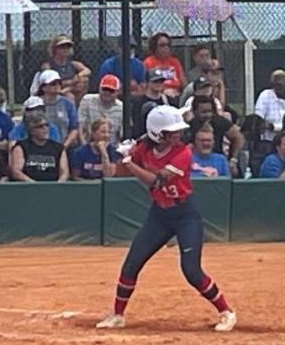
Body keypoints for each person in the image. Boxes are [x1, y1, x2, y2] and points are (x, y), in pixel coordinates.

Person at [95, 105, 235, 332]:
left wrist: (131, 162)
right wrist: (124, 155)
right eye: (172, 132)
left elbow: (156, 181)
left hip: (185, 214)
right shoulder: (144, 149)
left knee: (191, 270)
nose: (178, 135)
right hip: (159, 214)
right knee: (132, 263)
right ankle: (118, 315)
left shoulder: (183, 153)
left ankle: (226, 312)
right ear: (158, 134)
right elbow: (116, 174)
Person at [184, 96, 243, 176]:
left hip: (218, 162)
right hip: (195, 162)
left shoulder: (219, 121)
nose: (207, 115)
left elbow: (238, 138)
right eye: (203, 112)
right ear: (194, 111)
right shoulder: (188, 126)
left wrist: (233, 160)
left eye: (210, 111)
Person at [11, 114, 69, 182]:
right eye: (40, 126)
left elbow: (64, 172)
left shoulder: (58, 148)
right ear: (31, 131)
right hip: (28, 187)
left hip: (53, 187)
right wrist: (33, 184)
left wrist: (58, 184)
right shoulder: (21, 147)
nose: (45, 128)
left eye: (47, 125)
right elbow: (16, 172)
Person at [254, 69, 285, 142]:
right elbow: (258, 120)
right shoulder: (265, 95)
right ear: (272, 85)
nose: (278, 87)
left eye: (281, 84)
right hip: (268, 141)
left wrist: (273, 127)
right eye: (276, 84)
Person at [38, 69, 80, 148]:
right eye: (53, 83)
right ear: (43, 87)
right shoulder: (36, 103)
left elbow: (74, 128)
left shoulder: (67, 103)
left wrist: (64, 146)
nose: (57, 85)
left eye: (59, 83)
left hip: (64, 146)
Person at [45, 34, 92, 105]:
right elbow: (51, 83)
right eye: (62, 47)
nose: (66, 49)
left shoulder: (73, 63)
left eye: (68, 47)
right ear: (55, 49)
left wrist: (79, 75)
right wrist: (72, 81)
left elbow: (87, 71)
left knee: (84, 79)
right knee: (70, 97)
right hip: (56, 91)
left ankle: (78, 108)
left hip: (72, 89)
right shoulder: (49, 65)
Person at [78, 74, 124, 145]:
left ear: (118, 92)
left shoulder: (121, 107)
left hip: (112, 148)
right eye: (105, 89)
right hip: (89, 145)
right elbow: (80, 126)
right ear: (99, 88)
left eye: (111, 90)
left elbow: (122, 135)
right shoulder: (87, 100)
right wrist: (84, 147)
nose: (107, 93)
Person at [142, 32, 185, 98]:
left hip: (177, 94)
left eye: (168, 45)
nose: (166, 48)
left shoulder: (174, 61)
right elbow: (148, 85)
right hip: (159, 94)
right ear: (154, 47)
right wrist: (164, 91)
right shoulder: (149, 62)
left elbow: (183, 82)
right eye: (162, 45)